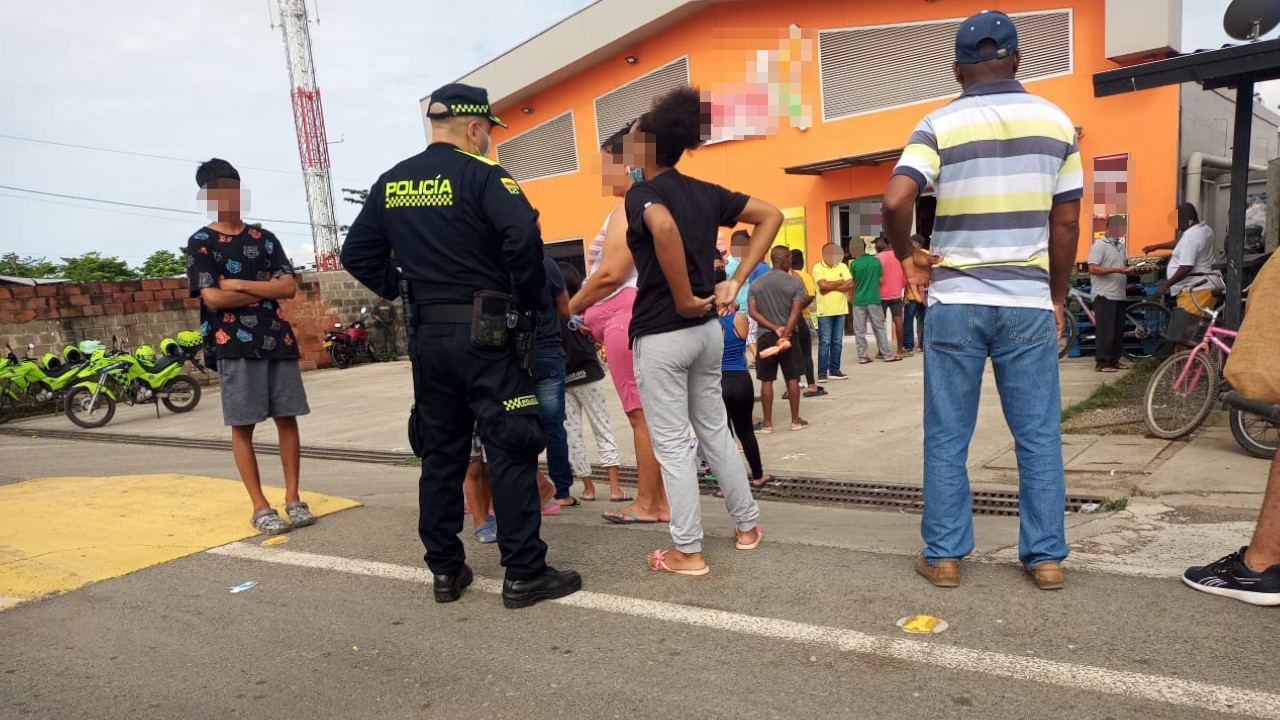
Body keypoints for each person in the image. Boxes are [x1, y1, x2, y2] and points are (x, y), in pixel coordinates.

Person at [340, 82, 580, 608]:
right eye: (488, 131)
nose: (488, 139)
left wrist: (406, 288)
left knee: (441, 453)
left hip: (428, 338)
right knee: (510, 445)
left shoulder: (391, 182)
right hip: (488, 333)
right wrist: (522, 297)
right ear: (474, 128)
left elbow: (355, 253)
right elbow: (523, 237)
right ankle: (524, 572)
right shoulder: (486, 175)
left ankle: (446, 571)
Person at [883, 11, 1082, 590]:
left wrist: (908, 256)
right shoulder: (1057, 122)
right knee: (1038, 435)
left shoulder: (938, 124)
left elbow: (895, 201)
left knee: (948, 434)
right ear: (1018, 59)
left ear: (956, 69)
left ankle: (945, 555)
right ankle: (1045, 557)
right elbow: (1067, 224)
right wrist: (1057, 295)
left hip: (957, 299)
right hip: (1027, 302)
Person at [623, 86, 781, 575]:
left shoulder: (642, 194)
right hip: (707, 331)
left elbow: (664, 229)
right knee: (715, 432)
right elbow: (772, 216)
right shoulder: (706, 192)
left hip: (662, 334)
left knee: (673, 444)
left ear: (647, 148)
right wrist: (734, 280)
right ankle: (747, 526)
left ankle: (688, 551)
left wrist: (682, 295)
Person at [186, 158, 313, 537]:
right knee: (243, 426)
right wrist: (263, 289)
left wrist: (238, 285)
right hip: (232, 345)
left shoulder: (265, 239)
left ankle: (293, 497)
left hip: (277, 340)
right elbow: (213, 299)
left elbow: (288, 287)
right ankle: (260, 505)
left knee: (287, 418)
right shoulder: (201, 242)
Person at [568, 124, 671, 525]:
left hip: (623, 319)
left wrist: (570, 309)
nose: (601, 175)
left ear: (626, 165)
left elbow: (610, 275)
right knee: (647, 414)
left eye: (604, 165)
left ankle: (648, 503)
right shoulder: (649, 205)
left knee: (639, 415)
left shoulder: (629, 207)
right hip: (625, 319)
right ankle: (658, 501)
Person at [558, 262, 625, 503]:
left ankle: (588, 488)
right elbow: (599, 337)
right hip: (590, 376)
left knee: (573, 435)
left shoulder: (551, 316)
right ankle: (615, 489)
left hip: (565, 380)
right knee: (603, 429)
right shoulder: (585, 311)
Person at [533, 255, 578, 507]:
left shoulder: (500, 261)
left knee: (517, 421)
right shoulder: (547, 265)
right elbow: (565, 309)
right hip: (548, 352)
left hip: (514, 358)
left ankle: (527, 484)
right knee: (554, 427)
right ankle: (562, 492)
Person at [750, 246, 808, 433]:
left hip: (765, 336)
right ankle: (795, 421)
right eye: (790, 258)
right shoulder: (794, 283)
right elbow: (795, 312)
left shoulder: (756, 283)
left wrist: (774, 328)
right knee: (792, 378)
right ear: (785, 259)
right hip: (790, 337)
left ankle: (767, 424)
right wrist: (785, 335)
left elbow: (753, 312)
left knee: (766, 380)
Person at [719, 284, 771, 489]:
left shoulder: (708, 324)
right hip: (741, 379)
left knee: (723, 435)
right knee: (746, 431)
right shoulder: (739, 318)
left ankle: (727, 486)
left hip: (718, 381)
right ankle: (758, 475)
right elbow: (744, 338)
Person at [1148, 203, 1223, 316]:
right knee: (1200, 325)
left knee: (1188, 326)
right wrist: (1157, 246)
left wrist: (1166, 285)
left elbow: (1186, 268)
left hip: (1197, 290)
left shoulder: (1191, 237)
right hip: (1206, 286)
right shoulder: (1204, 229)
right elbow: (1181, 243)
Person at [1088, 215, 1139, 373]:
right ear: (1107, 228)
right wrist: (1117, 270)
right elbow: (1093, 268)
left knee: (1117, 330)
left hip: (1119, 293)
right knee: (1106, 330)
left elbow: (1122, 267)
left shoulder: (1121, 247)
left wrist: (1130, 272)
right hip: (1104, 294)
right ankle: (1102, 363)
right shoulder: (1099, 246)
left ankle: (1114, 360)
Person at [725, 230, 771, 363]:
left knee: (743, 339)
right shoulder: (732, 263)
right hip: (740, 308)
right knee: (745, 337)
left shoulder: (744, 262)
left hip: (744, 308)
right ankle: (755, 358)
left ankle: (750, 360)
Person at [812, 242, 853, 379]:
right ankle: (822, 372)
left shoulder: (842, 266)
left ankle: (835, 369)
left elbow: (850, 283)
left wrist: (829, 287)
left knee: (837, 342)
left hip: (841, 310)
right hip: (825, 311)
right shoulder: (818, 267)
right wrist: (840, 282)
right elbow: (822, 285)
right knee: (825, 342)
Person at [848, 239, 891, 364]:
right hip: (873, 298)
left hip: (858, 300)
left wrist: (850, 295)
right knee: (879, 328)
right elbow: (881, 280)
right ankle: (886, 354)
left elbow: (852, 283)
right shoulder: (875, 261)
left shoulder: (854, 264)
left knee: (859, 330)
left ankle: (863, 356)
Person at [789, 248, 824, 397]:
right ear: (801, 262)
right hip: (802, 318)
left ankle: (793, 386)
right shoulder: (802, 276)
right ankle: (810, 385)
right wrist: (797, 308)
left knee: (792, 356)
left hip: (787, 321)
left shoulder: (776, 277)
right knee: (805, 354)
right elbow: (809, 296)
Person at [875, 236, 906, 361]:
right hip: (896, 294)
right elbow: (905, 276)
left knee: (879, 324)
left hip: (880, 295)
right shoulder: (899, 257)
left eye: (877, 242)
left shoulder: (877, 258)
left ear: (883, 243)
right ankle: (900, 350)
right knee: (898, 321)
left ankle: (881, 351)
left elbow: (875, 277)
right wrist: (899, 287)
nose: (876, 245)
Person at [902, 235, 934, 357]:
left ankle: (909, 346)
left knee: (908, 321)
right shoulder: (929, 255)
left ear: (916, 243)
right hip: (926, 292)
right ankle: (923, 345)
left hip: (912, 294)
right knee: (925, 320)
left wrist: (905, 295)